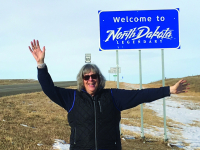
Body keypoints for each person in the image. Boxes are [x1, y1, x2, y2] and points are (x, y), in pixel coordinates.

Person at [29, 39, 189, 150]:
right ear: (82, 80)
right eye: (87, 77)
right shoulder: (72, 98)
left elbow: (141, 95)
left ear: (99, 78)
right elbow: (49, 89)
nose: (91, 79)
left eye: (94, 76)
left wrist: (169, 90)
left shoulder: (112, 96)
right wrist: (40, 65)